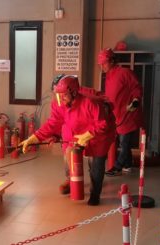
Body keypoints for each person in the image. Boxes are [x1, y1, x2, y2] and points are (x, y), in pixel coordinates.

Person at [20, 75, 116, 205]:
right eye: (57, 95)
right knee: (70, 155)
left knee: (96, 165)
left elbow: (103, 124)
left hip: (99, 135)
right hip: (76, 132)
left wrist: (88, 135)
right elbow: (53, 123)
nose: (60, 99)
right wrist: (33, 138)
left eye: (63, 95)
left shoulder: (90, 102)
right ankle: (71, 182)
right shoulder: (59, 103)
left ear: (74, 92)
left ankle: (95, 194)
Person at [98, 48, 144, 177]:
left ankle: (117, 167)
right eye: (100, 64)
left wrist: (135, 100)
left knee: (124, 142)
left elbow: (137, 87)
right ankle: (128, 165)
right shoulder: (108, 76)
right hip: (117, 114)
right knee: (125, 142)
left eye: (104, 63)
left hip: (128, 113)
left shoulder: (124, 72)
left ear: (112, 61)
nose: (102, 66)